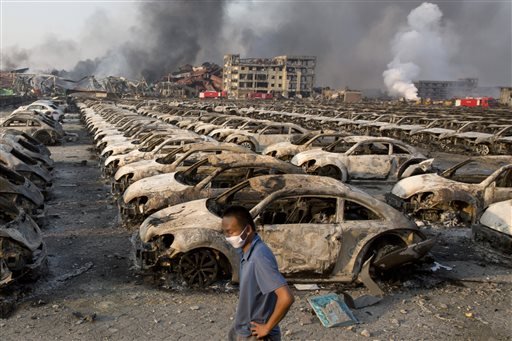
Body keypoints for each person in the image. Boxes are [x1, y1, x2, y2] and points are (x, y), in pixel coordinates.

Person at [223, 206, 294, 341]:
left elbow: (286, 297)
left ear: (248, 230)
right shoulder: (246, 251)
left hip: (256, 335)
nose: (228, 237)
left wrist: (267, 327)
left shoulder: (259, 257)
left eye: (230, 232)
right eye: (225, 233)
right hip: (244, 330)